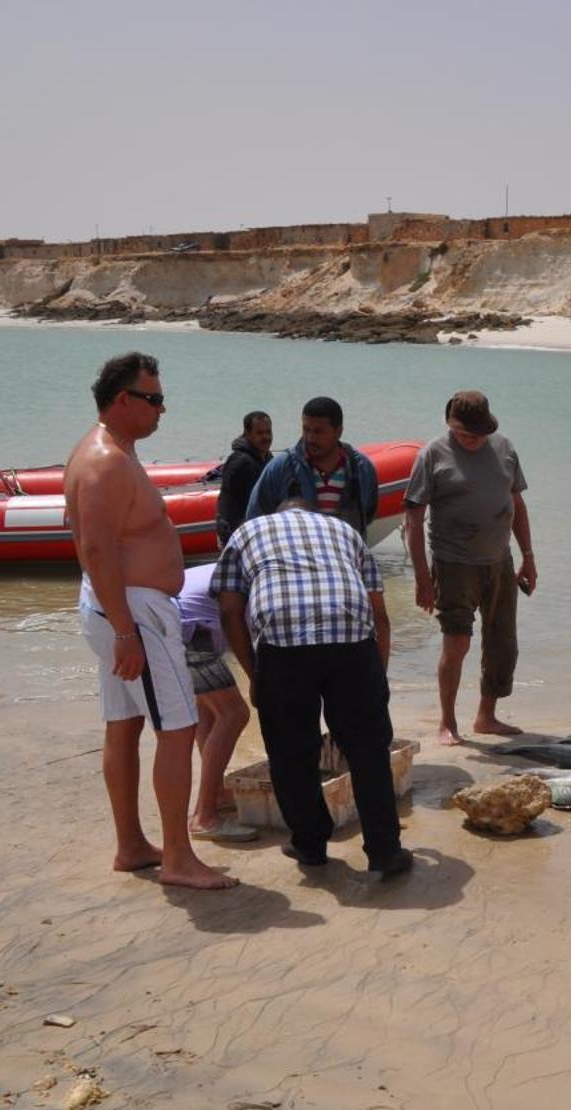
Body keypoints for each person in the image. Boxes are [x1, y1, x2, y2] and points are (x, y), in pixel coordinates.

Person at [65, 352, 233, 891]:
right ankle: (179, 858)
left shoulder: (111, 452)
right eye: (154, 398)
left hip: (120, 606)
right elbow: (95, 547)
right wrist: (124, 631)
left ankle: (132, 845)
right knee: (179, 727)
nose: (163, 409)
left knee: (125, 721)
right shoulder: (106, 461)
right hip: (132, 611)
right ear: (122, 400)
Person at [214, 495, 411, 876]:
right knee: (367, 749)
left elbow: (228, 611)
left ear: (278, 513)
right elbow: (380, 616)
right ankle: (385, 851)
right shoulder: (345, 531)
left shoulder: (246, 531)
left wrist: (255, 676)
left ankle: (309, 844)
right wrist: (377, 680)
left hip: (283, 644)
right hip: (351, 639)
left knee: (291, 752)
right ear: (312, 513)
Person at [403, 390, 536, 746]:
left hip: (500, 560)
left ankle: (486, 717)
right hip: (453, 563)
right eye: (465, 434)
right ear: (450, 424)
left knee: (502, 643)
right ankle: (447, 722)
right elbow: (413, 520)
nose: (472, 439)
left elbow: (516, 502)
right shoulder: (433, 454)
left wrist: (528, 556)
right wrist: (422, 578)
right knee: (457, 642)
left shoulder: (504, 447)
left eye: (478, 433)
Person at [175, 563, 257, 843]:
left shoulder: (241, 565)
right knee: (234, 714)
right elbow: (245, 632)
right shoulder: (260, 580)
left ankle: (217, 795)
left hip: (170, 621)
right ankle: (204, 816)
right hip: (190, 629)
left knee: (208, 712)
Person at [245, 397, 379, 534]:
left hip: (345, 553)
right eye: (306, 430)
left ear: (338, 431)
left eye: (318, 432)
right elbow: (256, 519)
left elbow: (368, 513)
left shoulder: (361, 468)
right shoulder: (282, 468)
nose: (310, 438)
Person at [215, 410, 273, 545]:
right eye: (259, 433)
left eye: (268, 432)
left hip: (255, 530)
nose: (265, 437)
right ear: (247, 433)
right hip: (238, 534)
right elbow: (234, 507)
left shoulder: (266, 457)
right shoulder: (241, 462)